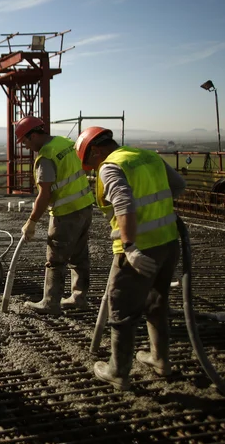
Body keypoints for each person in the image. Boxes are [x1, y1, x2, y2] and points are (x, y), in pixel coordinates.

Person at [75, 126, 186, 390]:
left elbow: (124, 205)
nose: (91, 168)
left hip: (139, 249)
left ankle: (118, 372)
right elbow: (179, 186)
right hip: (168, 243)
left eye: (89, 161)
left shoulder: (110, 166)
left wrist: (130, 246)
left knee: (122, 309)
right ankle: (160, 360)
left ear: (96, 150)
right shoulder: (147, 156)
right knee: (157, 302)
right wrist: (158, 209)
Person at [15, 116, 95, 314]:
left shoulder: (46, 156)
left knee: (55, 259)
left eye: (25, 141)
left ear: (33, 135)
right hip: (85, 206)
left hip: (65, 213)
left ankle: (50, 303)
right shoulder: (65, 142)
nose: (25, 146)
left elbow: (45, 194)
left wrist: (31, 221)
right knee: (79, 255)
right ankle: (79, 297)